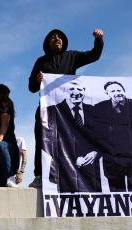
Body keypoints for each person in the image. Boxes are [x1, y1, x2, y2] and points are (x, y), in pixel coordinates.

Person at [28, 27, 104, 188]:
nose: (57, 39)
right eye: (53, 37)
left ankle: (70, 174)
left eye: (60, 37)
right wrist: (37, 79)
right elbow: (31, 87)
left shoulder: (72, 56)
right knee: (42, 140)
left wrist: (98, 40)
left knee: (70, 140)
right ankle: (39, 176)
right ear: (47, 42)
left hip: (67, 111)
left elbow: (94, 55)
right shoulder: (41, 61)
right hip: (46, 109)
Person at [44, 79, 103, 192]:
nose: (76, 92)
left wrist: (95, 152)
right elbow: (48, 141)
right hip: (64, 171)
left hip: (91, 173)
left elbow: (102, 138)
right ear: (64, 91)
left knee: (93, 207)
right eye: (71, 89)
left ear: (84, 91)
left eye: (79, 89)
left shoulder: (94, 111)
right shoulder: (52, 111)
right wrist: (71, 158)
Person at [93, 81, 132, 192]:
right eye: (113, 91)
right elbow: (98, 132)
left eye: (119, 90)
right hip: (112, 158)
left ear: (124, 91)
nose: (117, 93)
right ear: (107, 93)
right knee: (117, 194)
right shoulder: (100, 107)